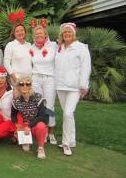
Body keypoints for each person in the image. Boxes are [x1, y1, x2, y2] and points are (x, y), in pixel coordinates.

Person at [55, 23, 91, 156]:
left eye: (69, 32)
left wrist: (83, 85)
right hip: (60, 86)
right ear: (62, 35)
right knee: (68, 114)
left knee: (68, 114)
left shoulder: (81, 48)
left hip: (74, 87)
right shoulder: (59, 48)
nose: (67, 34)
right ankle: (72, 140)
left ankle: (66, 143)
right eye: (65, 33)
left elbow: (86, 67)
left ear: (73, 33)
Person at [30, 25, 58, 145]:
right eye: (37, 34)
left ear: (46, 35)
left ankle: (51, 131)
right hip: (36, 78)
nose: (39, 35)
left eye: (41, 33)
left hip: (49, 79)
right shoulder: (32, 48)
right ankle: (43, 130)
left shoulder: (53, 46)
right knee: (39, 105)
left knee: (49, 106)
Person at [11, 76, 48, 159]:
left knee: (41, 126)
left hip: (36, 123)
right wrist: (17, 126)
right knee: (26, 149)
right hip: (24, 125)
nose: (25, 86)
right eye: (21, 84)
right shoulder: (16, 100)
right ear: (18, 87)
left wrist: (29, 126)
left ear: (30, 85)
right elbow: (13, 115)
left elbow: (42, 116)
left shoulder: (38, 97)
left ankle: (41, 148)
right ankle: (26, 140)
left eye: (28, 84)